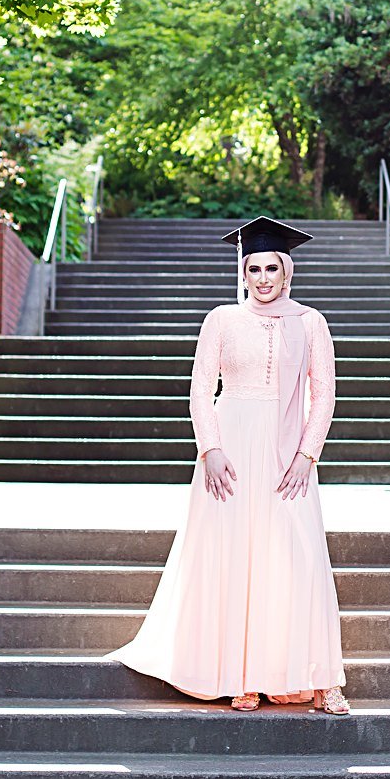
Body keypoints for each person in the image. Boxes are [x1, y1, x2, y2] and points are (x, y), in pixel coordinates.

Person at [105, 215, 350, 714]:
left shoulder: (311, 323)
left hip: (288, 455)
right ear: (242, 273)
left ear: (287, 271)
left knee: (297, 559)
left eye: (271, 268)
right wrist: (210, 448)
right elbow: (200, 389)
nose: (262, 278)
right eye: (253, 268)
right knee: (236, 559)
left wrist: (308, 455)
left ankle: (321, 677)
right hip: (230, 451)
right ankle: (245, 676)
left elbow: (324, 396)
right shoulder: (220, 319)